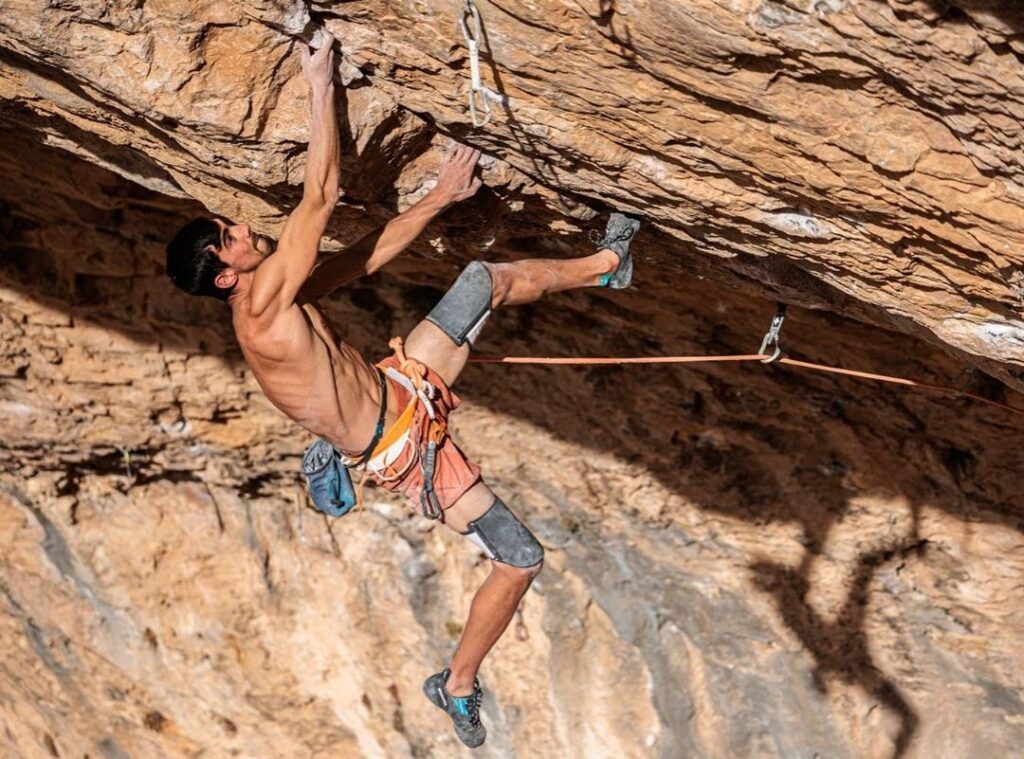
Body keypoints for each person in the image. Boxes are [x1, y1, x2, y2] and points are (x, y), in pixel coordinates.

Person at [165, 32, 640, 748]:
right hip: (406, 452)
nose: (238, 227)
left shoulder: (279, 293)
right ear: (225, 273)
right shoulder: (259, 310)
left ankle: (609, 263)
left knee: (485, 280)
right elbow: (320, 196)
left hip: (403, 386)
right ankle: (455, 684)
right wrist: (318, 79)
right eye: (225, 237)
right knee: (522, 556)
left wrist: (440, 196)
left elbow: (361, 258)